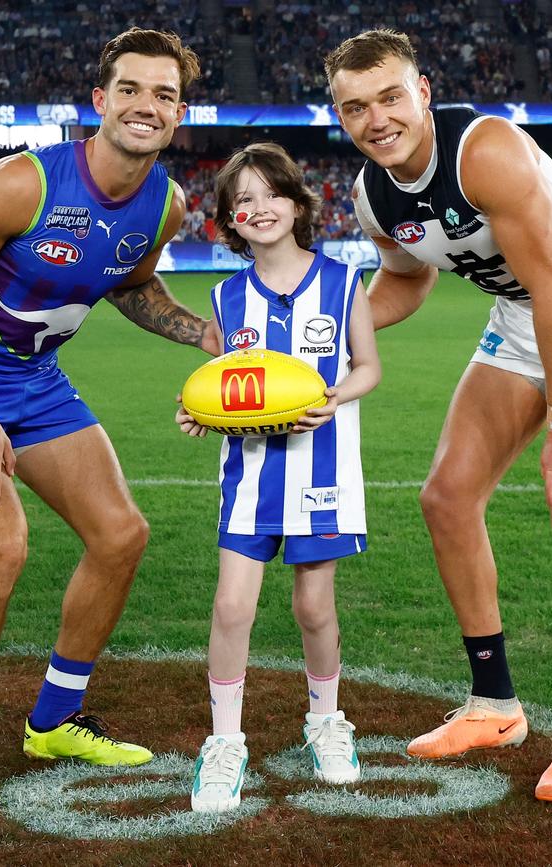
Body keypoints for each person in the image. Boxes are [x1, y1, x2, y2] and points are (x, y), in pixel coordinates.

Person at [325, 29, 552, 803]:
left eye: (389, 97)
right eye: (355, 107)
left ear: (422, 91)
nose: (376, 118)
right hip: (523, 318)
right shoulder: (371, 192)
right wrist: (325, 326)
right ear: (341, 116)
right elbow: (407, 282)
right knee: (447, 499)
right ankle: (495, 706)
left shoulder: (483, 151)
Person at [0, 27, 219, 811]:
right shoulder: (20, 184)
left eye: (165, 94)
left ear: (180, 111)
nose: (148, 105)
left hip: (35, 381)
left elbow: (132, 287)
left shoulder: (165, 203)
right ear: (100, 101)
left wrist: (203, 334)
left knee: (121, 533)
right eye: (132, 89)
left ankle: (55, 718)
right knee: (2, 552)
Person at [176, 142, 381, 813]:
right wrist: (197, 413)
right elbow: (224, 387)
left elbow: (368, 367)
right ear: (230, 221)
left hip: (324, 476)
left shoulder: (343, 280)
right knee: (232, 606)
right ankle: (224, 741)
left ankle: (325, 721)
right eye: (244, 201)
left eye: (271, 194)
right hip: (251, 476)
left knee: (314, 607)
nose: (259, 208)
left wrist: (336, 396)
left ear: (298, 203)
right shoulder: (225, 296)